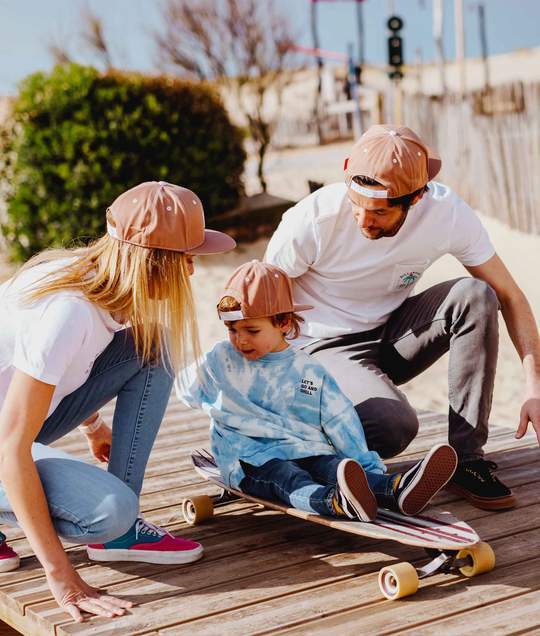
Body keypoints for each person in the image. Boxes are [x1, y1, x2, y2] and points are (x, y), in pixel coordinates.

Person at [265, 123, 540, 512]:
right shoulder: (312, 219)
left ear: (417, 197)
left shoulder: (446, 213)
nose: (363, 220)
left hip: (391, 334)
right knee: (394, 426)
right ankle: (297, 446)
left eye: (379, 211)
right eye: (356, 204)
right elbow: (257, 305)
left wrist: (534, 385)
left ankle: (467, 461)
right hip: (321, 347)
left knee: (476, 295)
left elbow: (511, 295)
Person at [0, 181, 235, 623]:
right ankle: (115, 523)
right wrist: (61, 576)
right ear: (153, 261)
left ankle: (120, 536)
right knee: (110, 510)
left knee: (154, 347)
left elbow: (53, 371)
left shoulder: (97, 282)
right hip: (6, 441)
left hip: (12, 421)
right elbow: (11, 447)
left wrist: (93, 426)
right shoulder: (68, 311)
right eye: (186, 259)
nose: (190, 272)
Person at [177, 260, 457, 521]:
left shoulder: (307, 370)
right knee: (286, 477)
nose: (240, 340)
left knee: (331, 467)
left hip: (306, 449)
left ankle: (395, 488)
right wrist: (210, 391)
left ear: (284, 323)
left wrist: (365, 465)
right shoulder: (221, 359)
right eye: (232, 329)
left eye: (251, 330)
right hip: (248, 458)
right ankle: (334, 502)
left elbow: (339, 418)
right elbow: (185, 388)